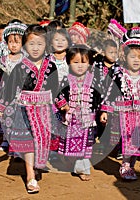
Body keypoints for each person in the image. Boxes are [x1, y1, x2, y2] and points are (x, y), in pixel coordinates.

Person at [0, 24, 58, 193]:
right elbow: (8, 89)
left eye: (40, 44)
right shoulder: (20, 67)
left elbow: (57, 89)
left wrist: (64, 106)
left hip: (44, 110)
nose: (35, 48)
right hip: (24, 110)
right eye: (31, 44)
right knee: (28, 143)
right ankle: (30, 176)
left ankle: (36, 167)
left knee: (40, 142)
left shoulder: (51, 67)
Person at [100, 27, 140, 180]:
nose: (136, 60)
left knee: (137, 141)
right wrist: (105, 111)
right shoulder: (119, 74)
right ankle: (125, 165)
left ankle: (131, 165)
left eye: (139, 57)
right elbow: (110, 92)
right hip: (123, 114)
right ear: (125, 57)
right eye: (132, 56)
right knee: (128, 140)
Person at [54, 44, 103, 181]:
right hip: (71, 118)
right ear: (69, 63)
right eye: (75, 62)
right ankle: (72, 162)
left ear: (89, 63)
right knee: (71, 143)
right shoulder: (66, 79)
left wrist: (102, 111)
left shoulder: (95, 80)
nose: (80, 66)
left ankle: (82, 168)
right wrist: (63, 105)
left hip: (88, 119)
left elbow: (100, 97)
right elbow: (57, 94)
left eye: (84, 62)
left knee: (86, 144)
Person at [0, 21, 27, 151]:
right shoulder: (2, 60)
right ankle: (6, 139)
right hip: (5, 92)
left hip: (21, 94)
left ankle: (16, 144)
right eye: (11, 42)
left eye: (17, 42)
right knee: (6, 117)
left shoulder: (26, 59)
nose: (14, 45)